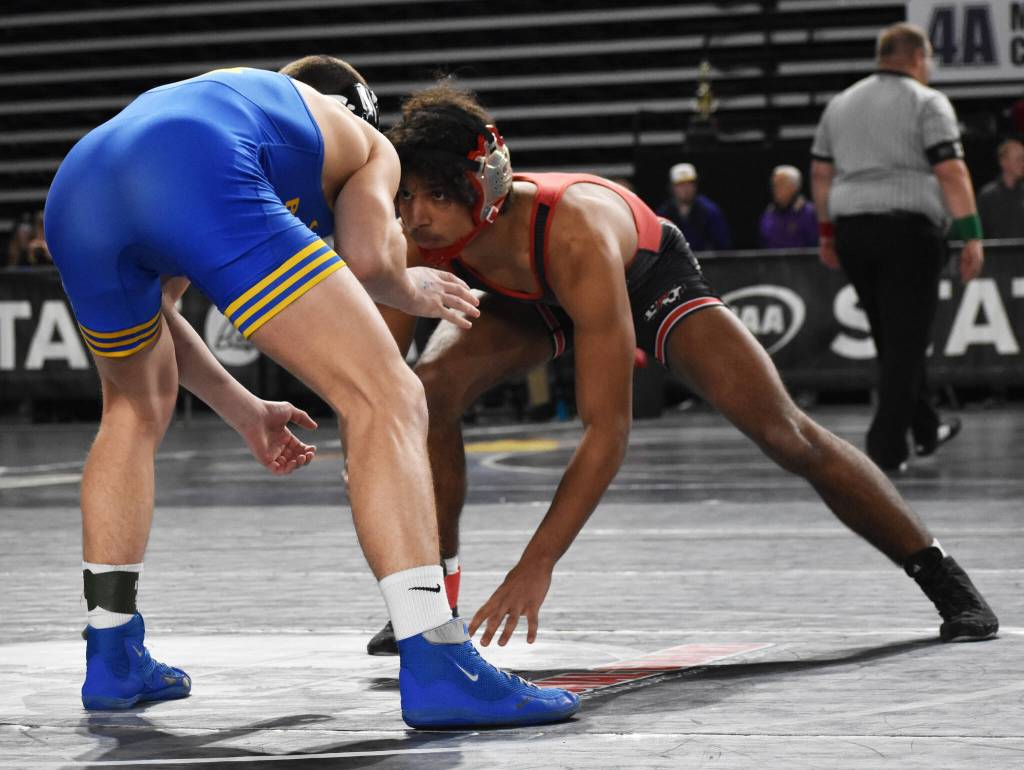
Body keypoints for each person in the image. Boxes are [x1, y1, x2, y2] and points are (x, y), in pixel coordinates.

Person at [363, 78, 998, 655]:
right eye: (408, 195)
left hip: (640, 276)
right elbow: (384, 381)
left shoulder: (574, 232)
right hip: (530, 298)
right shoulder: (419, 235)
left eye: (439, 196)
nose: (418, 214)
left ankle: (939, 572)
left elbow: (607, 430)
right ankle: (430, 598)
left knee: (786, 433)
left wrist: (538, 562)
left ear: (485, 184)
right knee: (425, 395)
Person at [44, 58, 578, 728]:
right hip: (197, 168)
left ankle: (113, 652)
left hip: (79, 187)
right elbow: (371, 262)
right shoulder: (365, 143)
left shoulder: (244, 107)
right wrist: (411, 287)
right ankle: (437, 659)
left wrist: (244, 409)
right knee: (390, 397)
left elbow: (164, 317)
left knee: (131, 407)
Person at [811, 22, 982, 473]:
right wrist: (971, 232)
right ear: (917, 58)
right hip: (908, 232)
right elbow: (951, 172)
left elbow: (821, 175)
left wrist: (827, 232)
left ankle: (926, 429)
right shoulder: (927, 102)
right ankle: (885, 447)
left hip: (852, 233)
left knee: (893, 339)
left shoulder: (840, 104)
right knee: (906, 343)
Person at [655, 162, 731, 250]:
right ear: (672, 187)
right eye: (680, 184)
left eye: (690, 183)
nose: (686, 189)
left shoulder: (710, 211)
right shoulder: (664, 213)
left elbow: (723, 245)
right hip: (676, 262)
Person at [757, 165, 818, 249]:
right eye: (774, 184)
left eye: (781, 184)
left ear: (794, 187)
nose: (775, 188)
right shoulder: (767, 214)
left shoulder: (811, 213)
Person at [977, 138, 1024, 239]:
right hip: (997, 253)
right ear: (1003, 161)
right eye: (1018, 159)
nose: (1022, 163)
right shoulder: (987, 196)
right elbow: (980, 232)